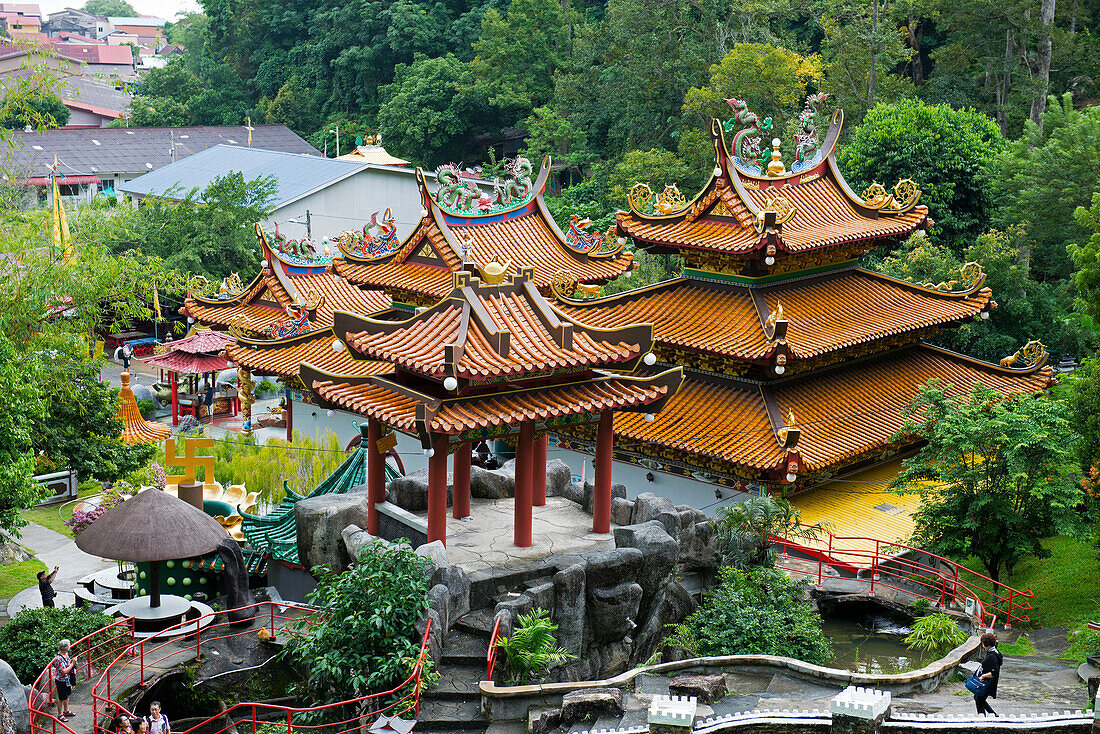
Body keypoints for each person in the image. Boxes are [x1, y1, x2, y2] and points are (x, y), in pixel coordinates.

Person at [974, 631, 1003, 715]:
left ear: (985, 644)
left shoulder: (992, 656)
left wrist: (983, 676)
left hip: (988, 682)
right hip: (989, 682)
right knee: (978, 698)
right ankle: (993, 715)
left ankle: (983, 718)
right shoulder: (994, 652)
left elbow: (994, 672)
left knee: (979, 699)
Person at [52, 639, 75, 721]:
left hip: (67, 680)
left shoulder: (66, 654)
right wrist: (73, 664)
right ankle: (60, 715)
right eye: (69, 645)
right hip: (61, 681)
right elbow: (64, 671)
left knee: (68, 695)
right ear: (65, 647)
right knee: (61, 698)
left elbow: (67, 665)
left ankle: (66, 711)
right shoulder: (58, 658)